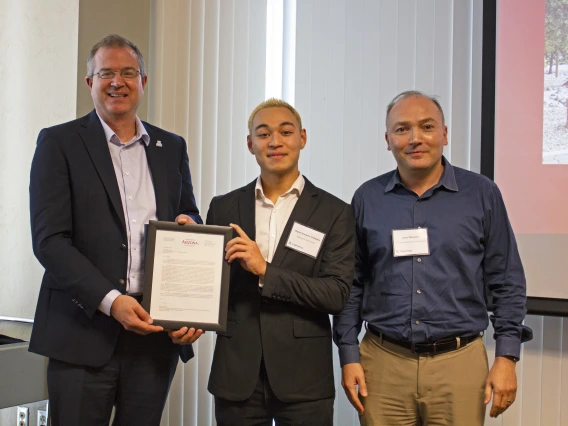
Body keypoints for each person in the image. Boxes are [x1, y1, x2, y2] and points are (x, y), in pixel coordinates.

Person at [29, 34, 203, 425]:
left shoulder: (171, 147)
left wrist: (191, 235)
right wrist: (111, 300)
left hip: (154, 336)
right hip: (81, 331)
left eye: (128, 72)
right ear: (90, 82)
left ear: (143, 81)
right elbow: (49, 241)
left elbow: (188, 216)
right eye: (105, 72)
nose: (117, 81)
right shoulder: (59, 143)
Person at [333, 90, 533, 425]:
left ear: (444, 134)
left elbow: (506, 279)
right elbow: (352, 283)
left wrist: (507, 356)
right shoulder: (367, 198)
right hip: (382, 363)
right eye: (402, 129)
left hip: (459, 363)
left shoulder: (482, 194)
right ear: (387, 139)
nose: (415, 138)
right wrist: (348, 354)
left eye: (426, 127)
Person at [206, 98, 356, 426]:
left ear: (302, 138)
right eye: (263, 134)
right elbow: (212, 287)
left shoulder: (335, 213)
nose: (275, 141)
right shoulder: (223, 207)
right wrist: (190, 246)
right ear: (250, 144)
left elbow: (336, 294)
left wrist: (265, 271)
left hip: (304, 377)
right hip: (236, 374)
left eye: (285, 132)